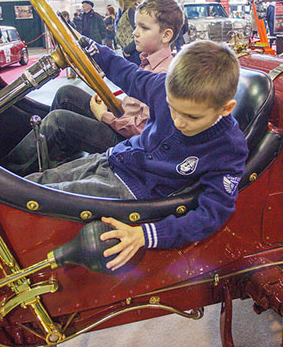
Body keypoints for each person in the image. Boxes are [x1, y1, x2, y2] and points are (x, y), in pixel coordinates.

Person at [26, 39, 248, 270]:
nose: (178, 121)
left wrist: (147, 235)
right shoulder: (163, 86)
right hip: (112, 158)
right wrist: (93, 49)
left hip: (133, 192)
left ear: (225, 108)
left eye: (192, 117)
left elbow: (213, 213)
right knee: (33, 183)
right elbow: (129, 75)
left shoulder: (229, 148)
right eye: (172, 108)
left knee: (35, 199)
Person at [3, 0, 184, 175]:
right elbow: (138, 108)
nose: (134, 32)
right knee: (66, 94)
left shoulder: (163, 75)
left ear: (166, 35)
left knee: (57, 121)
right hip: (123, 121)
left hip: (130, 143)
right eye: (136, 26)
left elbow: (143, 129)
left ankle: (8, 173)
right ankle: (59, 157)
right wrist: (113, 102)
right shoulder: (147, 63)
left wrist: (104, 116)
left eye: (143, 28)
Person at [112, 0, 142, 65]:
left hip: (135, 52)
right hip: (131, 52)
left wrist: (127, 50)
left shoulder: (132, 9)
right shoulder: (122, 10)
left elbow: (141, 32)